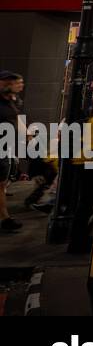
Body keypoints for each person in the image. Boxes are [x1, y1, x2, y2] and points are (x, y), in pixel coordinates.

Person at [0, 71, 25, 233]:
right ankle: (5, 219)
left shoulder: (13, 100)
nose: (21, 85)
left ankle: (5, 218)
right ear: (6, 83)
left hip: (4, 145)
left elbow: (17, 119)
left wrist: (28, 136)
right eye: (18, 83)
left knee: (1, 184)